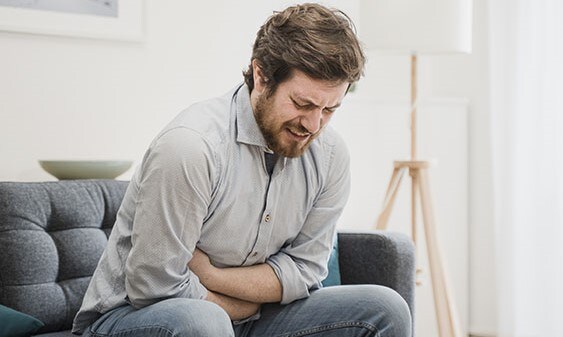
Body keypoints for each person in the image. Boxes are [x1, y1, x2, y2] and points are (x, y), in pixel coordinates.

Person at [72, 3, 411, 337]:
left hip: (245, 317)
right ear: (261, 76)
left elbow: (305, 272)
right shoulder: (192, 147)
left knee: (385, 308)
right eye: (302, 104)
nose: (313, 124)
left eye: (329, 109)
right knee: (204, 323)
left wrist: (213, 276)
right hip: (133, 317)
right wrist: (242, 307)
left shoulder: (331, 155)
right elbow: (153, 285)